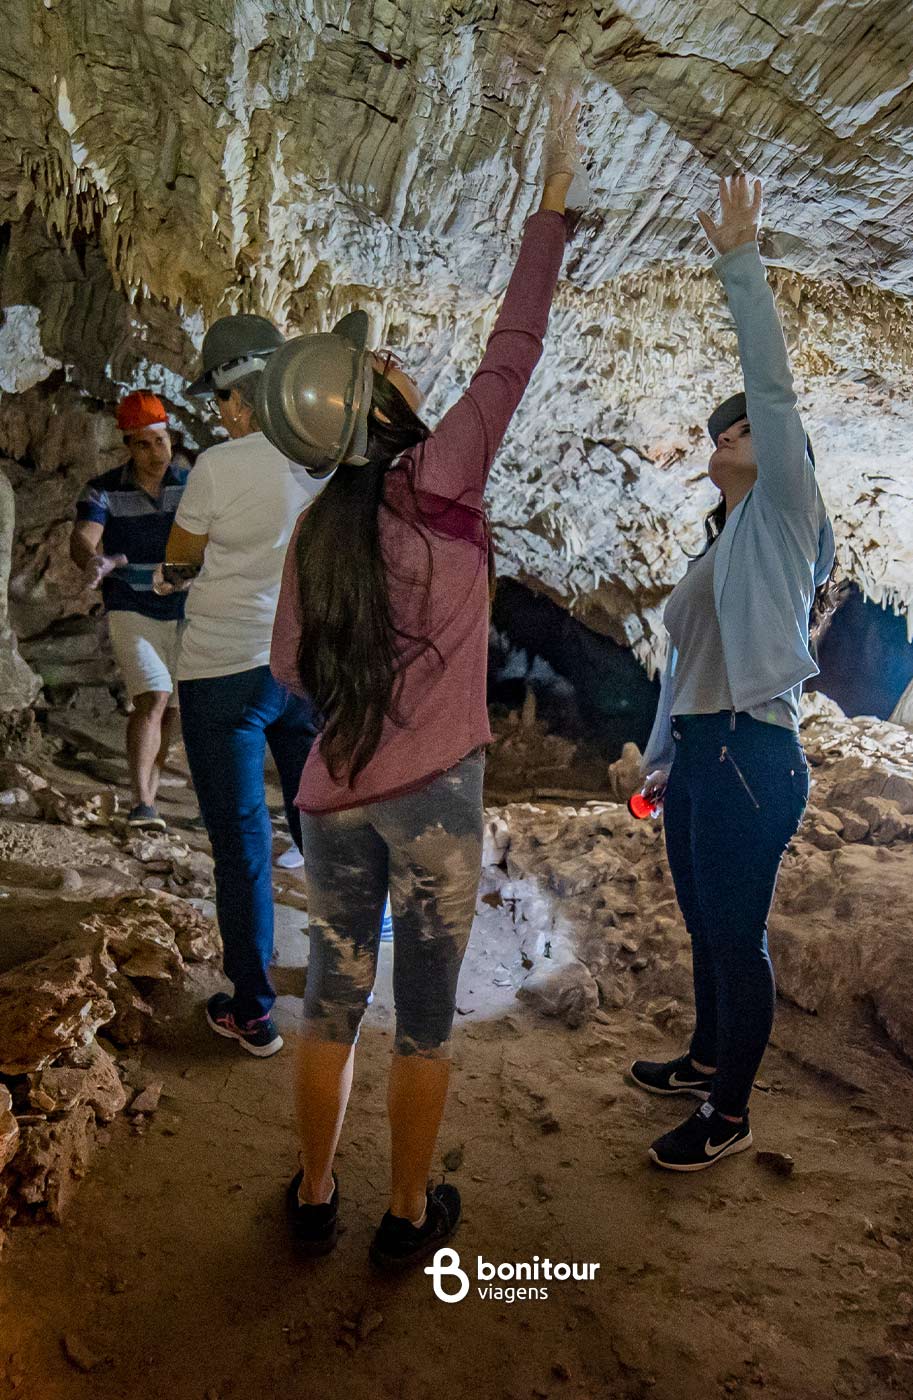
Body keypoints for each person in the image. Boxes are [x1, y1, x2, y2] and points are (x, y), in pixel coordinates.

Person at [266, 98, 582, 1264]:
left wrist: (361, 714)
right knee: (426, 1021)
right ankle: (405, 1220)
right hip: (437, 804)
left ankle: (310, 1195)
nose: (399, 361)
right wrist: (548, 208)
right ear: (381, 408)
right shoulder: (434, 478)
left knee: (332, 1004)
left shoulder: (319, 529)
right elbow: (515, 349)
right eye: (386, 364)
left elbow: (286, 667)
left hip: (330, 800)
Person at [627, 175, 837, 1172]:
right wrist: (661, 758)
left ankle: (731, 1110)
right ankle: (706, 1052)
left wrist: (741, 262)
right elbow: (684, 661)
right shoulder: (720, 546)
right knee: (703, 923)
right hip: (705, 751)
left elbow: (777, 390)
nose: (724, 437)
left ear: (782, 449)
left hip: (756, 748)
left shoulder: (787, 510)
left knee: (735, 929)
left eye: (739, 426)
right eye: (718, 432)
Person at [163, 314, 327, 1058]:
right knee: (320, 828)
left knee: (244, 847)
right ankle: (339, 977)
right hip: (303, 670)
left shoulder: (217, 468)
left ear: (235, 400)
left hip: (224, 672)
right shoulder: (326, 459)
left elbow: (181, 558)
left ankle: (254, 1012)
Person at [72, 391, 187, 831]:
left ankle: (150, 794)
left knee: (174, 707)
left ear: (170, 439)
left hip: (182, 607)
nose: (155, 452)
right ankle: (141, 803)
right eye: (143, 444)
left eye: (160, 441)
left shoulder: (190, 485)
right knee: (153, 696)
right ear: (128, 446)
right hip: (130, 606)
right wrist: (93, 560)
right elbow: (84, 535)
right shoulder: (104, 489)